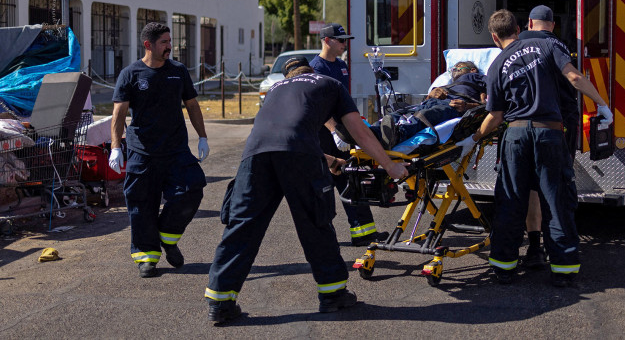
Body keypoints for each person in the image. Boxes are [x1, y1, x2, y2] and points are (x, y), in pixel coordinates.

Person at [205, 57, 408, 324]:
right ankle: (333, 293)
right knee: (315, 221)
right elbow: (360, 133)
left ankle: (220, 302)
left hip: (254, 155)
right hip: (298, 154)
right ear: (311, 71)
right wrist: (390, 167)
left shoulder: (277, 89)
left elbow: (280, 138)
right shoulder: (330, 83)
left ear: (289, 75)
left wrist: (330, 161)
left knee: (242, 225)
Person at [459, 9, 612, 288]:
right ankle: (564, 269)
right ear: (519, 28)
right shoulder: (547, 44)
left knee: (510, 200)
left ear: (495, 37)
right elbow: (574, 78)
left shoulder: (497, 64)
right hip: (549, 135)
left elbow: (495, 116)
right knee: (556, 200)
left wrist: (474, 138)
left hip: (516, 137)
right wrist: (602, 104)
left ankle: (504, 268)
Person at [109, 22, 210, 279]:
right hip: (142, 151)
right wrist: (115, 147)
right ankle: (146, 257)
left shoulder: (178, 71)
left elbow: (192, 105)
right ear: (148, 45)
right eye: (164, 42)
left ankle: (168, 236)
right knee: (141, 203)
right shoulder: (130, 74)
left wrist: (202, 136)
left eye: (169, 41)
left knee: (192, 188)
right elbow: (119, 113)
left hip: (175, 149)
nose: (169, 46)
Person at [310, 23, 387, 246]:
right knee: (325, 185)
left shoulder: (341, 65)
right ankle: (323, 238)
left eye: (346, 40)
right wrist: (334, 131)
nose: (345, 44)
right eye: (341, 40)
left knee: (351, 178)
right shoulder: (317, 67)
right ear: (327, 41)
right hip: (325, 134)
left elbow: (342, 101)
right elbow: (318, 107)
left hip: (343, 131)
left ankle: (363, 233)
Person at [518, 5, 581, 269]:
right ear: (553, 25)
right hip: (557, 126)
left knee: (531, 188)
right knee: (555, 187)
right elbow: (573, 80)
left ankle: (533, 247)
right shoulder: (558, 46)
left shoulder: (516, 45)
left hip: (519, 126)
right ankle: (557, 249)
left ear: (529, 23)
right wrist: (601, 104)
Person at [366, 60, 487, 149]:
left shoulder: (477, 78)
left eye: (459, 67)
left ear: (472, 70)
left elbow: (486, 105)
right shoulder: (450, 83)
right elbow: (427, 99)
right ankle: (370, 132)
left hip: (453, 106)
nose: (454, 69)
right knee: (402, 113)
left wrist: (467, 106)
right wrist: (431, 95)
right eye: (452, 69)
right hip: (433, 101)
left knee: (425, 115)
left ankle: (398, 134)